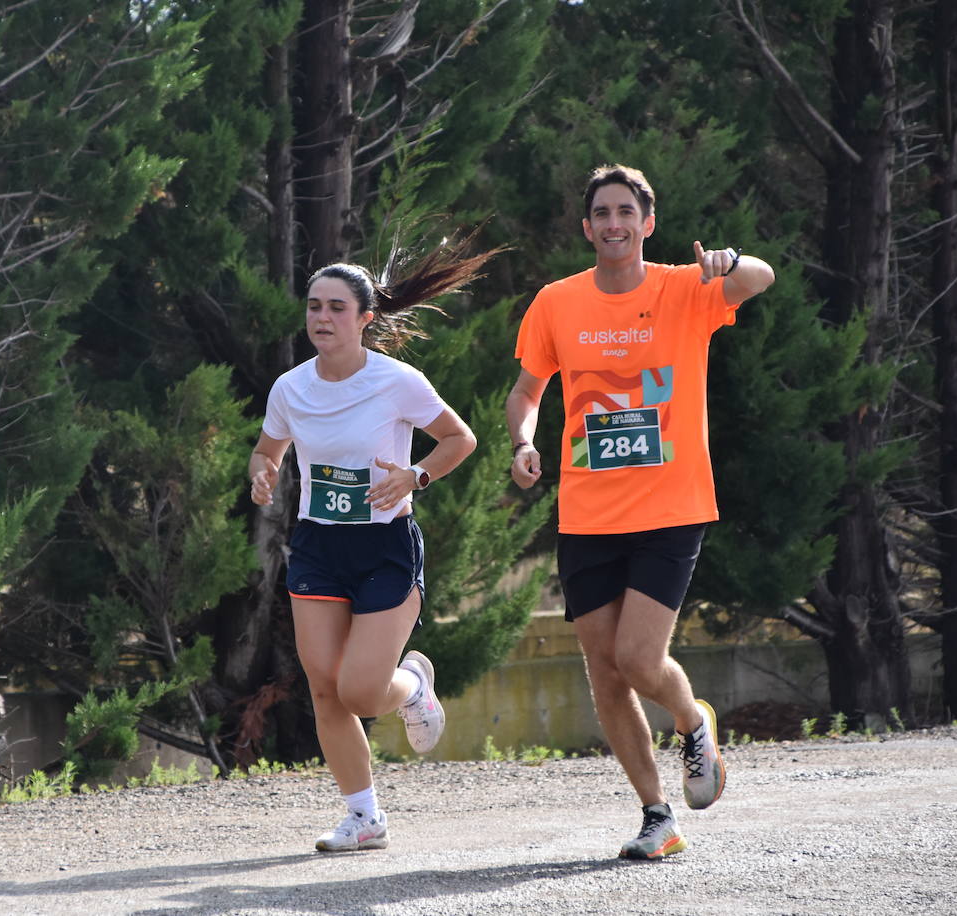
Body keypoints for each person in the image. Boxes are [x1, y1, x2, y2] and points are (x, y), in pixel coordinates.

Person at [504, 164, 775, 860]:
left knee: (636, 657)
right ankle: (657, 816)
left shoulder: (684, 287)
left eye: (626, 211)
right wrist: (524, 441)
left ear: (647, 223)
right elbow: (527, 390)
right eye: (602, 213)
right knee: (604, 670)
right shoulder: (557, 301)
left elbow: (762, 278)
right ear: (587, 227)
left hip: (670, 506)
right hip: (588, 514)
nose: (614, 223)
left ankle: (691, 720)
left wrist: (730, 262)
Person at [249, 240, 494, 852]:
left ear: (365, 318)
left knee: (360, 691)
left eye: (337, 307)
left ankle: (411, 685)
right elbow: (268, 450)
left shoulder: (396, 381)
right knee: (324, 687)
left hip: (385, 547)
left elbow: (459, 439)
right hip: (317, 546)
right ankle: (364, 817)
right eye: (314, 306)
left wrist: (415, 476)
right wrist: (262, 473)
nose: (322, 317)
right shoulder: (290, 389)